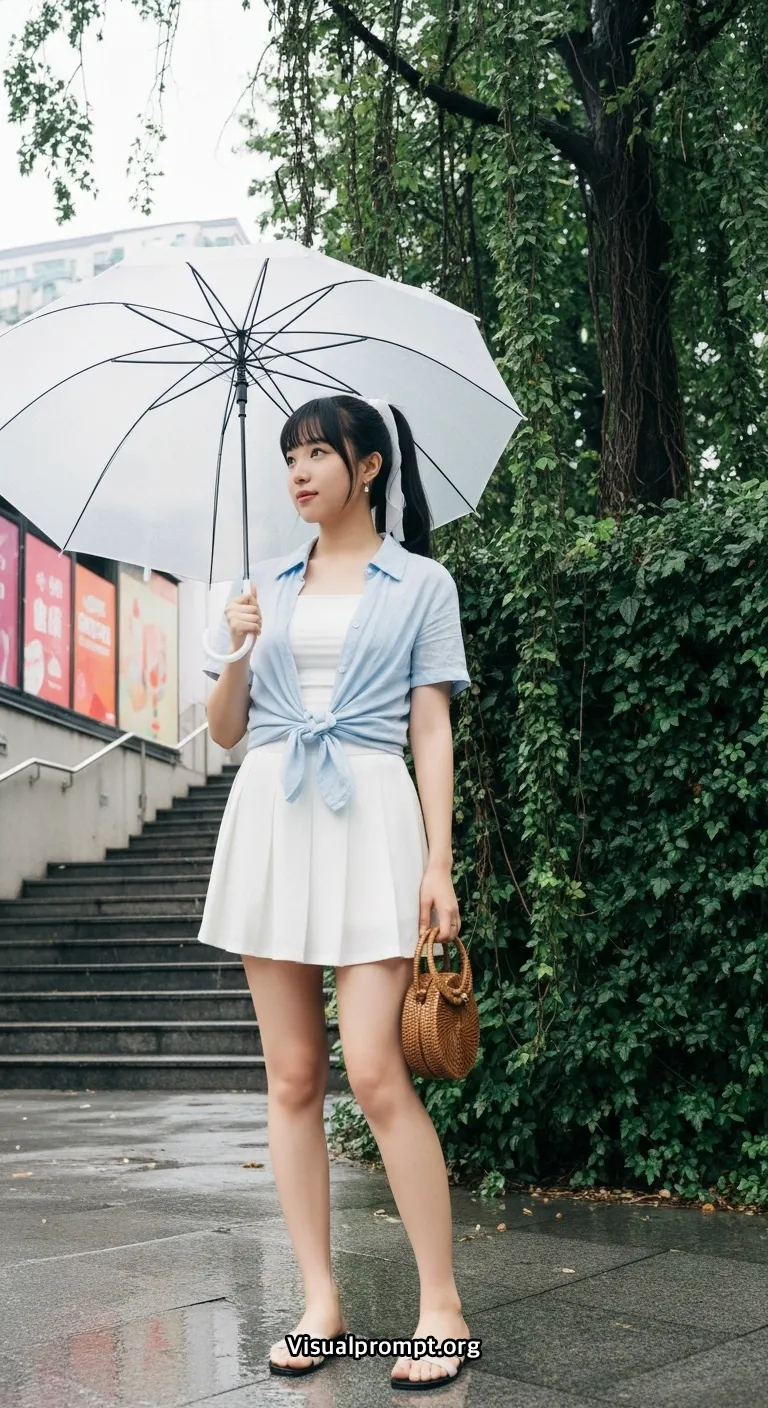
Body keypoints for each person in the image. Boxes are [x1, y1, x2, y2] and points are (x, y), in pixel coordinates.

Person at [199, 393, 473, 1390]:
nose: (299, 471)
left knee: (373, 1069)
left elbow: (430, 724)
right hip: (272, 814)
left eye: (318, 452)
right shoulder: (258, 585)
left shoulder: (420, 581)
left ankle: (439, 1302)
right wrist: (234, 644)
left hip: (371, 817)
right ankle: (321, 1298)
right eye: (288, 457)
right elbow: (226, 729)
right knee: (291, 1077)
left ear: (367, 466)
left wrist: (440, 861)